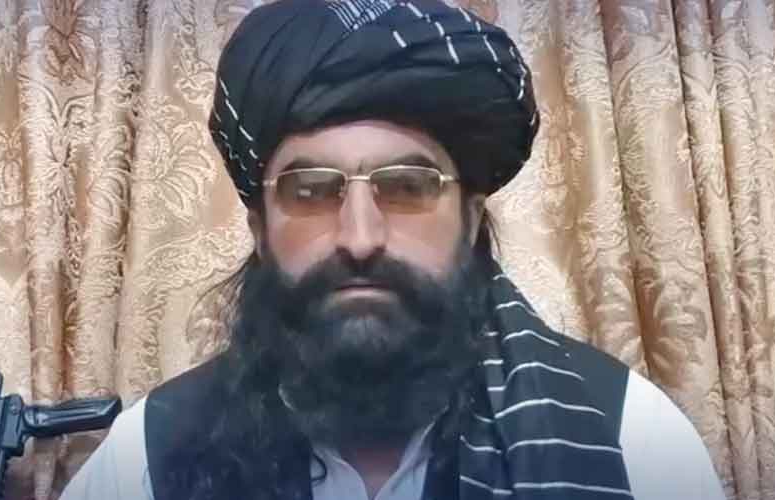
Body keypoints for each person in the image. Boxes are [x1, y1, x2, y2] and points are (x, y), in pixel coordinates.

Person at [60, 1, 726, 499]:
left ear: (470, 219)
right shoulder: (144, 463)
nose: (360, 237)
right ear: (260, 228)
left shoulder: (632, 444)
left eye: (408, 187)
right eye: (310, 191)